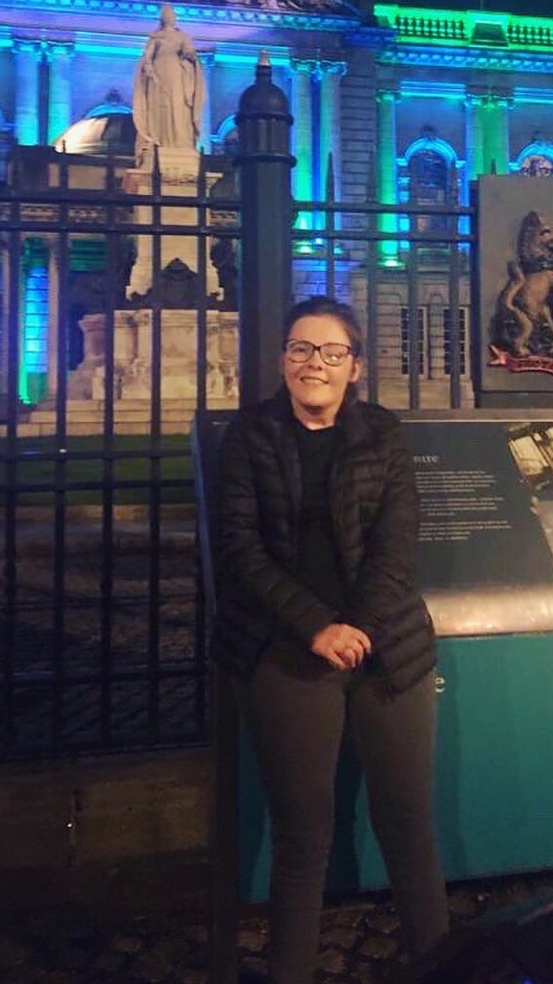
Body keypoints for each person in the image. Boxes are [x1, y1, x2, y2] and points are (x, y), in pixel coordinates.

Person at [211, 297, 449, 984]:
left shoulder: (383, 434)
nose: (314, 363)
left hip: (386, 644)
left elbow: (396, 545)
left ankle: (441, 967)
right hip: (289, 647)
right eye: (300, 349)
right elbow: (240, 549)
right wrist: (317, 626)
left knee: (408, 825)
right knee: (302, 835)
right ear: (283, 360)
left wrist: (360, 627)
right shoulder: (250, 435)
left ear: (355, 367)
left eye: (331, 352)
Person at [131, 4, 206, 163]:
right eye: (167, 14)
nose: (170, 17)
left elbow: (189, 52)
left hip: (177, 75)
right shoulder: (155, 37)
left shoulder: (182, 36)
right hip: (159, 75)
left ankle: (180, 142)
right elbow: (147, 57)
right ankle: (159, 139)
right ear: (162, 18)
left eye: (172, 14)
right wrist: (148, 68)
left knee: (178, 106)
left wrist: (191, 56)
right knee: (159, 107)